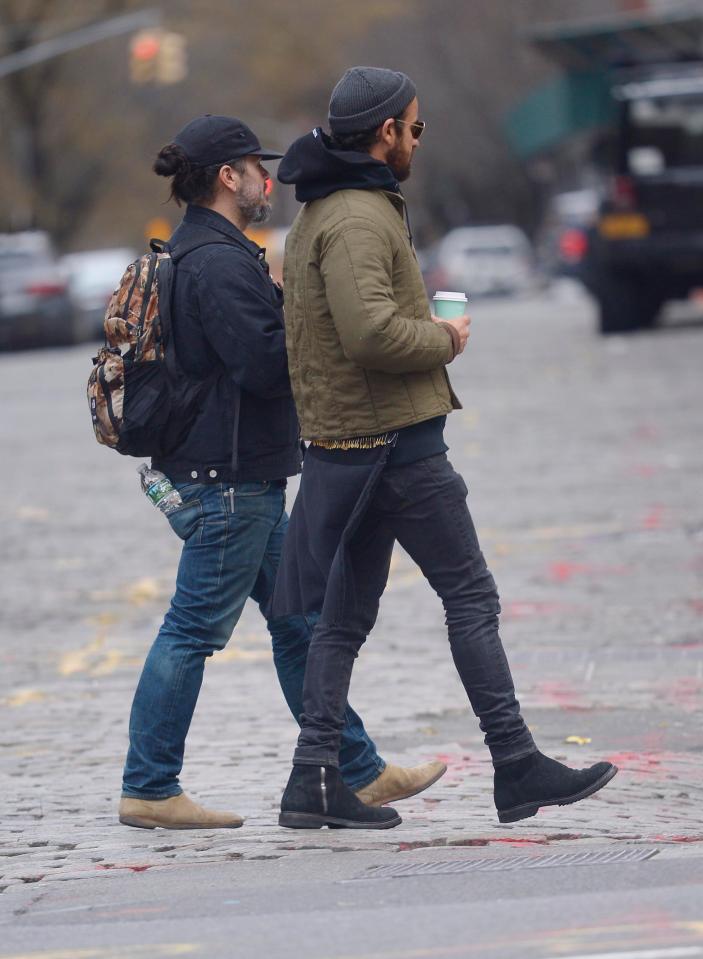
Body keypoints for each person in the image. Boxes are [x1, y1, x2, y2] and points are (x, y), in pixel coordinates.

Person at [273, 68, 618, 830]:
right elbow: (367, 334)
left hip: (353, 445)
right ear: (386, 131)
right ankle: (516, 761)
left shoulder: (324, 212)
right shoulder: (359, 216)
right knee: (471, 598)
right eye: (414, 128)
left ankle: (313, 777)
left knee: (342, 619)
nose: (417, 142)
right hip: (396, 446)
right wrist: (443, 337)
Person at [118, 114, 445, 831]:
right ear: (229, 178)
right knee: (193, 630)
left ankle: (357, 767)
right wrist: (320, 324)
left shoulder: (211, 251)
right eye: (255, 167)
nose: (269, 179)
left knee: (300, 622)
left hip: (240, 475)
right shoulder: (216, 260)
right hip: (227, 481)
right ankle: (149, 783)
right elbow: (264, 364)